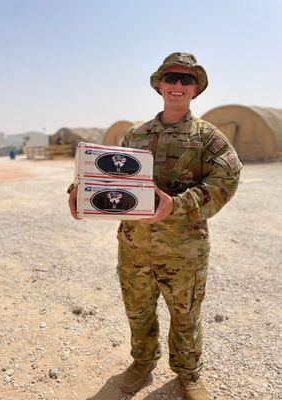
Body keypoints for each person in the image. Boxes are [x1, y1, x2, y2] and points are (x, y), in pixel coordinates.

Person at [68, 52, 243, 400]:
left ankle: (189, 375)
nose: (178, 85)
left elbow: (227, 179)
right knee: (138, 309)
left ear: (195, 89)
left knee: (185, 315)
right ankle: (142, 363)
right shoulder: (135, 135)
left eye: (186, 80)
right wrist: (78, 191)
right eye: (172, 78)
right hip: (135, 245)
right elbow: (106, 175)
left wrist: (176, 205)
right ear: (160, 85)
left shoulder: (208, 137)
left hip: (183, 250)